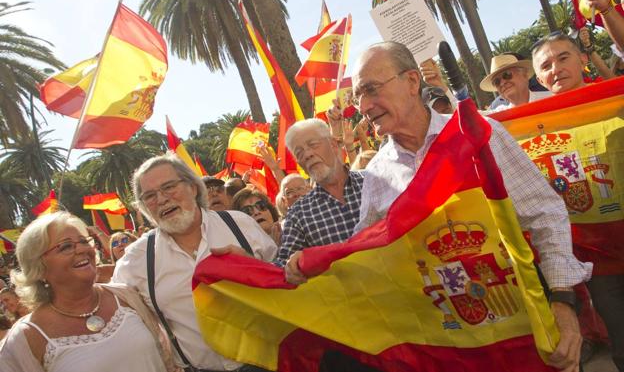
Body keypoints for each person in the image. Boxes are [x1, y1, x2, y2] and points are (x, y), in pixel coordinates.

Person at [349, 41, 592, 372]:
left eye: (371, 89)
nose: (363, 105)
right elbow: (366, 256)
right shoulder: (377, 176)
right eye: (357, 96)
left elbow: (544, 214)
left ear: (411, 81)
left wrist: (563, 302)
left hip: (531, 332)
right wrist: (311, 269)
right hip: (457, 351)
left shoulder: (479, 134)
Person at [112, 152, 276, 372]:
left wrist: (255, 270)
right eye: (149, 196)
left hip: (271, 361)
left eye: (169, 187)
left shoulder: (240, 225)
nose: (161, 199)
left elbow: (283, 282)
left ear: (193, 187)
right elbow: (112, 315)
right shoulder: (137, 260)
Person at [533, 33, 624, 372]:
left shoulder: (614, 98)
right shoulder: (525, 126)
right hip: (596, 261)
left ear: (583, 60)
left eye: (563, 58)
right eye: (546, 65)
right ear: (539, 78)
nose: (555, 68)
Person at [0, 211, 176, 372]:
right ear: (39, 266)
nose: (82, 249)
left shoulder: (126, 296)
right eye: (66, 246)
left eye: (84, 241)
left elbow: (167, 358)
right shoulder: (25, 337)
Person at [278, 119, 365, 283]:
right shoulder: (297, 214)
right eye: (300, 152)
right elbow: (283, 266)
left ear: (333, 144)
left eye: (312, 144)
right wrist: (246, 260)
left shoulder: (374, 181)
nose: (308, 154)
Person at [480, 53, 551, 110]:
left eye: (507, 75)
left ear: (524, 75)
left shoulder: (552, 99)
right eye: (497, 82)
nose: (502, 83)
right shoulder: (497, 118)